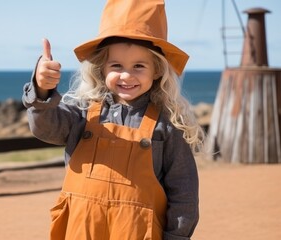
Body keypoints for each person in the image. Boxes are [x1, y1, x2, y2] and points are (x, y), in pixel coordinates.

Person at [22, 0, 204, 239]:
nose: (126, 75)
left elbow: (184, 192)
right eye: (116, 65)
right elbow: (45, 128)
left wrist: (177, 236)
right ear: (102, 68)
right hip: (81, 230)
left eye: (139, 66)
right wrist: (42, 89)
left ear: (157, 70)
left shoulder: (167, 124)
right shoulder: (82, 112)